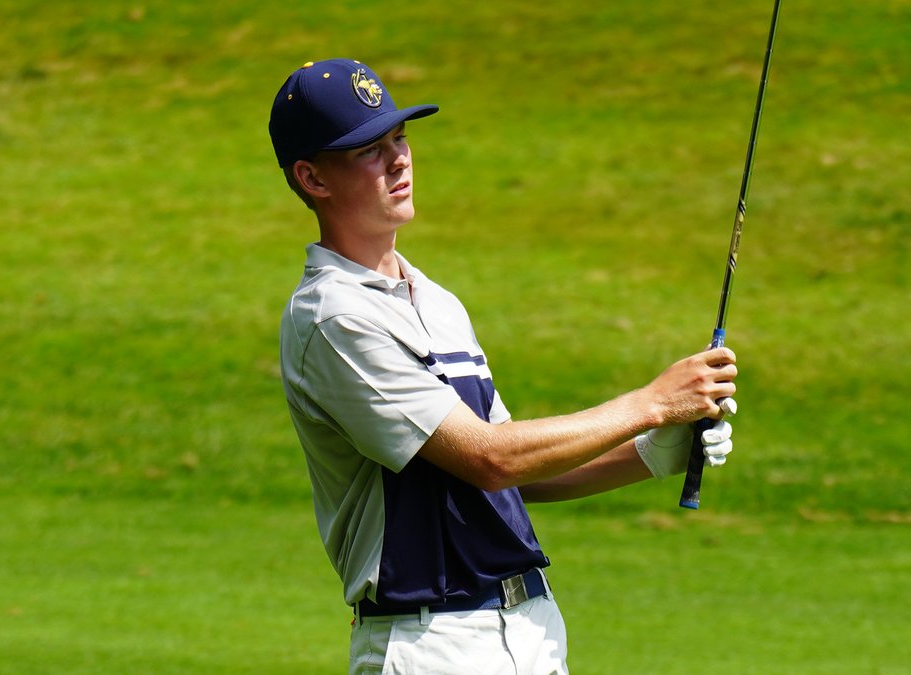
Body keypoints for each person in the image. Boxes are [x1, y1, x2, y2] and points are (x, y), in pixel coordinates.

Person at [269, 58, 738, 674]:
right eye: (368, 150)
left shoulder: (434, 300)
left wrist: (656, 449)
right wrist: (651, 403)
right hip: (430, 642)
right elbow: (490, 458)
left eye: (399, 139)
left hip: (531, 629)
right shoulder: (334, 318)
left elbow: (516, 478)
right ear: (313, 177)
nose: (399, 160)